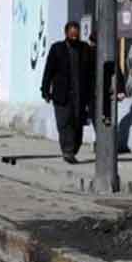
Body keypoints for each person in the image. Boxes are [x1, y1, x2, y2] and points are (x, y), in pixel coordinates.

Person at [42, 22, 95, 163]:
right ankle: (67, 151)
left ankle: (73, 149)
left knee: (77, 124)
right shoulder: (57, 49)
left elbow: (91, 72)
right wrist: (45, 90)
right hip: (61, 94)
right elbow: (48, 71)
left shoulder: (85, 49)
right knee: (64, 124)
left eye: (76, 34)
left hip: (80, 94)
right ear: (66, 33)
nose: (74, 36)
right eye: (71, 33)